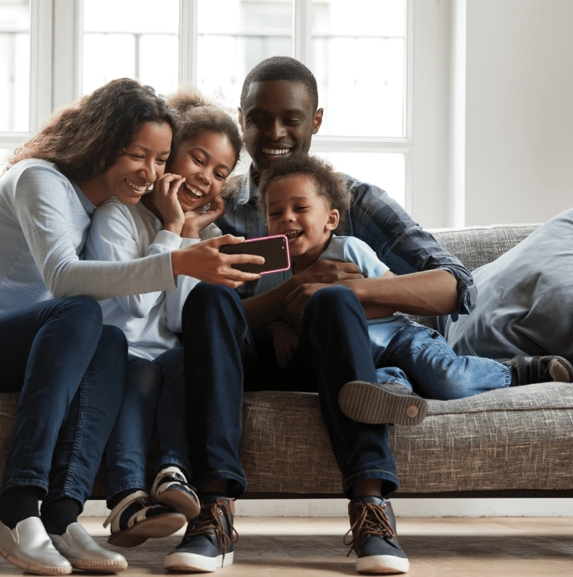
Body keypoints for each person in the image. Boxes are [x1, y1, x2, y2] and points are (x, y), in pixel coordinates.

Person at [0, 78, 262, 576]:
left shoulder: (106, 212)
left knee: (108, 339)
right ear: (102, 142)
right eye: (135, 155)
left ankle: (61, 513)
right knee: (79, 310)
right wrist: (178, 261)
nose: (149, 172)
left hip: (11, 343)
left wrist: (180, 239)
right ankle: (16, 509)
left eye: (161, 159)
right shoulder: (38, 179)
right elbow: (62, 278)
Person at [170, 55, 471, 575]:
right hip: (252, 357)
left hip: (338, 352)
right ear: (242, 122)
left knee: (334, 299)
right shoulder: (217, 202)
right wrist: (288, 299)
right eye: (259, 118)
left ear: (316, 121)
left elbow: (454, 287)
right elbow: (188, 313)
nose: (275, 132)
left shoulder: (352, 201)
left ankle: (371, 506)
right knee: (211, 298)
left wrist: (359, 289)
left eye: (291, 118)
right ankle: (214, 511)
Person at [256, 152, 573, 423]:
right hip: (360, 358)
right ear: (266, 225)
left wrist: (348, 302)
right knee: (369, 387)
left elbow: (390, 296)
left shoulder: (349, 250)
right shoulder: (273, 270)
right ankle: (399, 394)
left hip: (399, 337)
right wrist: (278, 330)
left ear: (331, 219)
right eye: (275, 212)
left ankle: (521, 372)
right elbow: (274, 314)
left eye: (300, 208)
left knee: (448, 380)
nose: (286, 218)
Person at [85, 89, 243, 550]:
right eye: (198, 160)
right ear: (169, 153)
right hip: (120, 350)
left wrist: (190, 235)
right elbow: (134, 304)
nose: (206, 179)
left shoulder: (200, 233)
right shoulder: (118, 216)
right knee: (140, 373)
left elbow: (178, 317)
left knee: (179, 362)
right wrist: (172, 230)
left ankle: (172, 474)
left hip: (163, 353)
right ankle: (127, 497)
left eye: (220, 173)